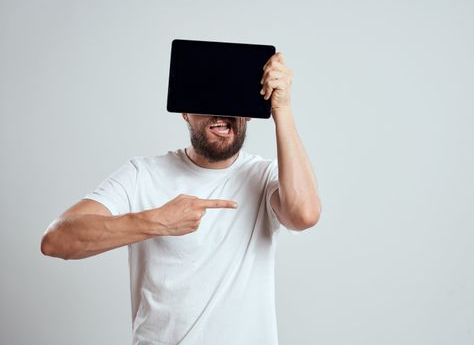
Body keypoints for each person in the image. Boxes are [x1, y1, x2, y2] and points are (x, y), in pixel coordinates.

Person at [40, 51, 321, 344]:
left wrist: (283, 110)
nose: (220, 113)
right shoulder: (142, 175)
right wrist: (155, 222)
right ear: (185, 112)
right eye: (206, 100)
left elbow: (305, 215)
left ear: (248, 113)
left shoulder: (264, 177)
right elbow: (56, 241)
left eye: (231, 102)